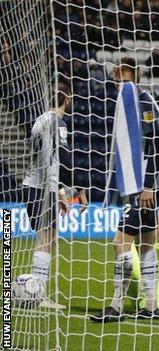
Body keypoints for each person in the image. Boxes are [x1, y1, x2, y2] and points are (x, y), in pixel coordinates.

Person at [91, 57, 159, 322]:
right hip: (140, 185)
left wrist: (147, 186)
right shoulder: (132, 101)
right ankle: (151, 306)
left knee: (120, 244)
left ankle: (116, 307)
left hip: (142, 186)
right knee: (146, 246)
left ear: (128, 73)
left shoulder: (142, 101)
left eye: (119, 75)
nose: (115, 80)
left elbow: (158, 146)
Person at [21, 83, 88, 309]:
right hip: (42, 190)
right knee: (47, 241)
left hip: (32, 186)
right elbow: (65, 160)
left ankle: (32, 292)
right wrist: (78, 189)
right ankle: (37, 295)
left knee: (44, 239)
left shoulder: (39, 120)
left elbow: (50, 160)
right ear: (66, 100)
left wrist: (60, 192)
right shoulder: (58, 122)